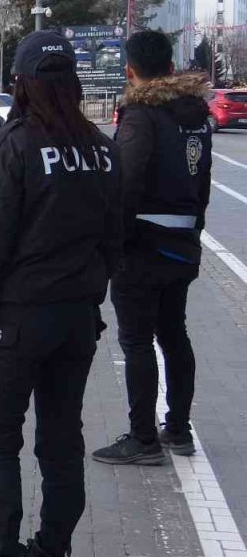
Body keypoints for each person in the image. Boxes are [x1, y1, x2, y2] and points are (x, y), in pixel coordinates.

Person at [0, 31, 122, 557]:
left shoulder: (11, 146)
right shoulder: (101, 148)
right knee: (62, 442)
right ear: (71, 83)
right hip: (75, 320)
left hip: (16, 321)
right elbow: (116, 239)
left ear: (19, 84)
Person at [91, 31, 213, 466]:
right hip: (182, 245)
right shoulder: (196, 114)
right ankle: (178, 429)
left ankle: (142, 438)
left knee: (137, 341)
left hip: (141, 247)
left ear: (130, 70)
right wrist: (193, 233)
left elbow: (123, 184)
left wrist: (113, 246)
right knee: (174, 333)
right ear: (171, 66)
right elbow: (203, 184)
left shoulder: (141, 114)